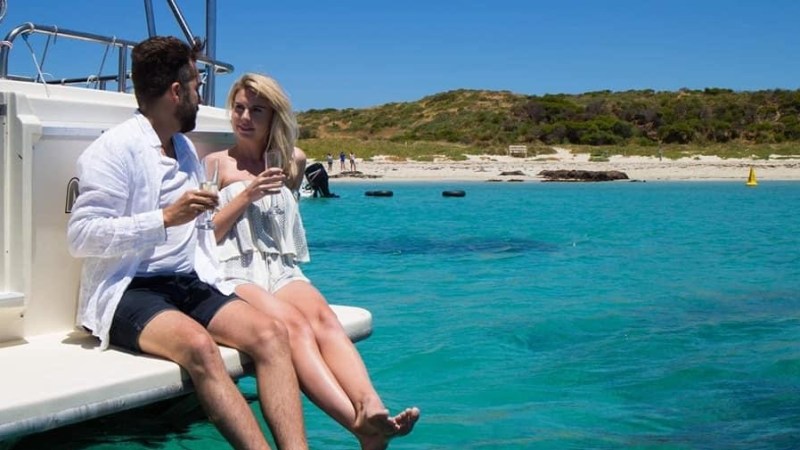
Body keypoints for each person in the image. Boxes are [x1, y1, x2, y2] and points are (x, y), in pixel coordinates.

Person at [67, 37, 307, 450]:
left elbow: (201, 232)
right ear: (176, 92)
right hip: (130, 289)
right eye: (197, 85)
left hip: (187, 281)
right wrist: (164, 218)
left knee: (272, 334)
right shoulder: (112, 150)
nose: (201, 95)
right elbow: (81, 235)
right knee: (200, 347)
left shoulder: (184, 149)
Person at [204, 73, 420, 450]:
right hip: (234, 269)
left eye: (257, 110)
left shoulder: (294, 161)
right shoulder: (215, 164)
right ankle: (358, 426)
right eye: (239, 108)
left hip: (280, 267)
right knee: (295, 327)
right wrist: (246, 195)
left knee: (324, 318)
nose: (245, 117)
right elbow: (206, 237)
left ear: (274, 117)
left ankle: (370, 404)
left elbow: (281, 223)